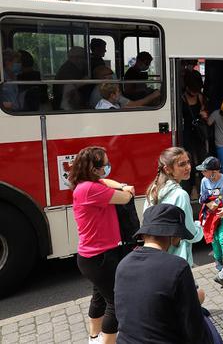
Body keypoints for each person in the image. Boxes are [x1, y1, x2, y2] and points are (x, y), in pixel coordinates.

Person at [114, 204, 216, 344]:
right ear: (174, 236)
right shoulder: (177, 266)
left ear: (144, 234)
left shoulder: (123, 264)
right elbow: (193, 327)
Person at [69, 146, 136, 344]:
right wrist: (127, 190)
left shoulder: (85, 184)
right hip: (101, 258)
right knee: (116, 302)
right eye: (105, 165)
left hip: (92, 257)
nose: (107, 168)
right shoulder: (91, 189)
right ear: (93, 168)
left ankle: (93, 338)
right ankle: (108, 341)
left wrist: (121, 184)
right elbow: (124, 198)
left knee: (98, 297)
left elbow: (106, 181)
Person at [145, 147, 204, 267]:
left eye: (188, 162)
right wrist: (200, 226)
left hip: (157, 259)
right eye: (182, 164)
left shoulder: (153, 189)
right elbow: (190, 233)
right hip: (177, 261)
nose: (188, 167)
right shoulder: (180, 195)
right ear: (168, 169)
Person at [196, 156, 223, 271]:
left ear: (213, 172)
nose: (202, 173)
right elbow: (202, 197)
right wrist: (209, 204)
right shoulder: (204, 181)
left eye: (205, 170)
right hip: (211, 217)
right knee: (214, 239)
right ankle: (218, 260)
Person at [181, 71, 209, 195]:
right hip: (187, 132)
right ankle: (192, 186)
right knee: (189, 160)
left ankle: (205, 187)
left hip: (198, 132)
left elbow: (204, 111)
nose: (195, 92)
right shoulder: (181, 98)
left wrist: (203, 114)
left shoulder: (200, 97)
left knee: (203, 159)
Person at [54, 46, 89, 110]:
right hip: (66, 106)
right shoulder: (68, 70)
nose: (85, 61)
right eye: (84, 58)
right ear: (76, 58)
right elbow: (68, 87)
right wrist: (84, 81)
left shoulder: (73, 68)